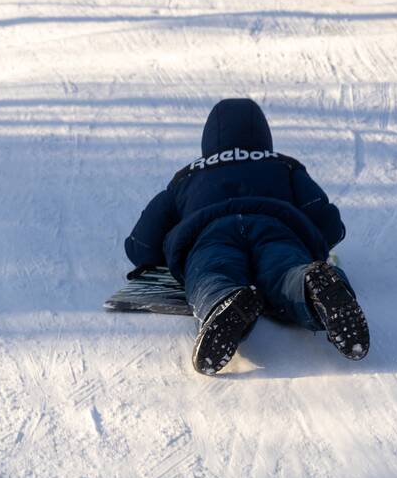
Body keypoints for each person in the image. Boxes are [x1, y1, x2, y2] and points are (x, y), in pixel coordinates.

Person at [125, 98, 369, 375]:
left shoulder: (186, 177)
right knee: (285, 267)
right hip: (276, 226)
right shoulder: (283, 165)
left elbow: (144, 238)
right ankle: (311, 284)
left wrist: (145, 255)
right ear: (265, 136)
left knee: (211, 269)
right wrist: (321, 243)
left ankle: (224, 300)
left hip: (211, 231)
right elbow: (326, 220)